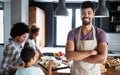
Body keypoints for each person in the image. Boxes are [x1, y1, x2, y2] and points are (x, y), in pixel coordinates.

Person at [65, 1, 108, 75]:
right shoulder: (72, 33)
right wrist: (90, 52)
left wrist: (77, 56)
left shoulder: (101, 33)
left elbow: (102, 59)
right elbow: (69, 55)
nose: (86, 15)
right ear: (80, 15)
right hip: (76, 73)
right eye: (83, 12)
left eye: (89, 12)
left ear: (93, 15)